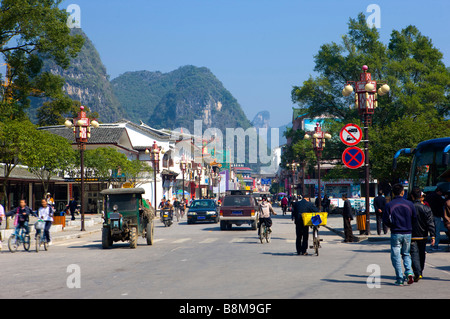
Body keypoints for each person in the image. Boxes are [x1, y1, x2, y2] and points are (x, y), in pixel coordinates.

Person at [383, 183, 417, 286]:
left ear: (393, 193)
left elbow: (385, 220)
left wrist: (392, 225)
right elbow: (414, 218)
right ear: (403, 192)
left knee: (396, 256)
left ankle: (400, 278)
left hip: (396, 232)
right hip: (408, 232)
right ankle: (409, 272)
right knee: (406, 253)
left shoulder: (389, 205)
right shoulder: (410, 204)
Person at [410, 187, 435, 282]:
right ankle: (420, 271)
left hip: (412, 235)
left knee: (414, 254)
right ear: (421, 196)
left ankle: (417, 272)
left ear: (412, 196)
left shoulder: (409, 207)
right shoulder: (426, 208)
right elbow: (430, 223)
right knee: (421, 253)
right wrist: (433, 235)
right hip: (423, 235)